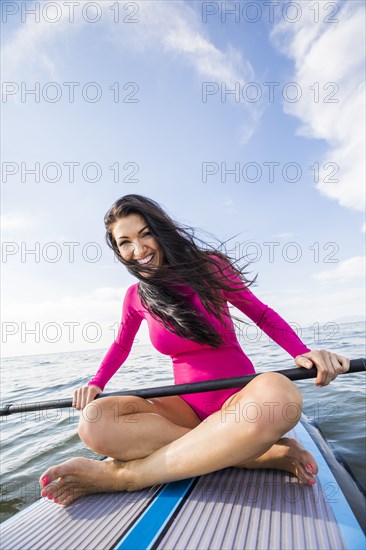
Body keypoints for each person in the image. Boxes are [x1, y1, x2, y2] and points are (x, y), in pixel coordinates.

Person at [39, 195, 350, 506]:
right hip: (184, 410)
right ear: (118, 251)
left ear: (161, 230)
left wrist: (302, 352)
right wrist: (97, 383)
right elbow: (122, 343)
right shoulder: (136, 296)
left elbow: (262, 314)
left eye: (145, 233)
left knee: (281, 397)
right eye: (125, 242)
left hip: (238, 400)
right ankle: (255, 454)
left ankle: (125, 477)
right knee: (94, 422)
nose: (139, 249)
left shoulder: (211, 268)